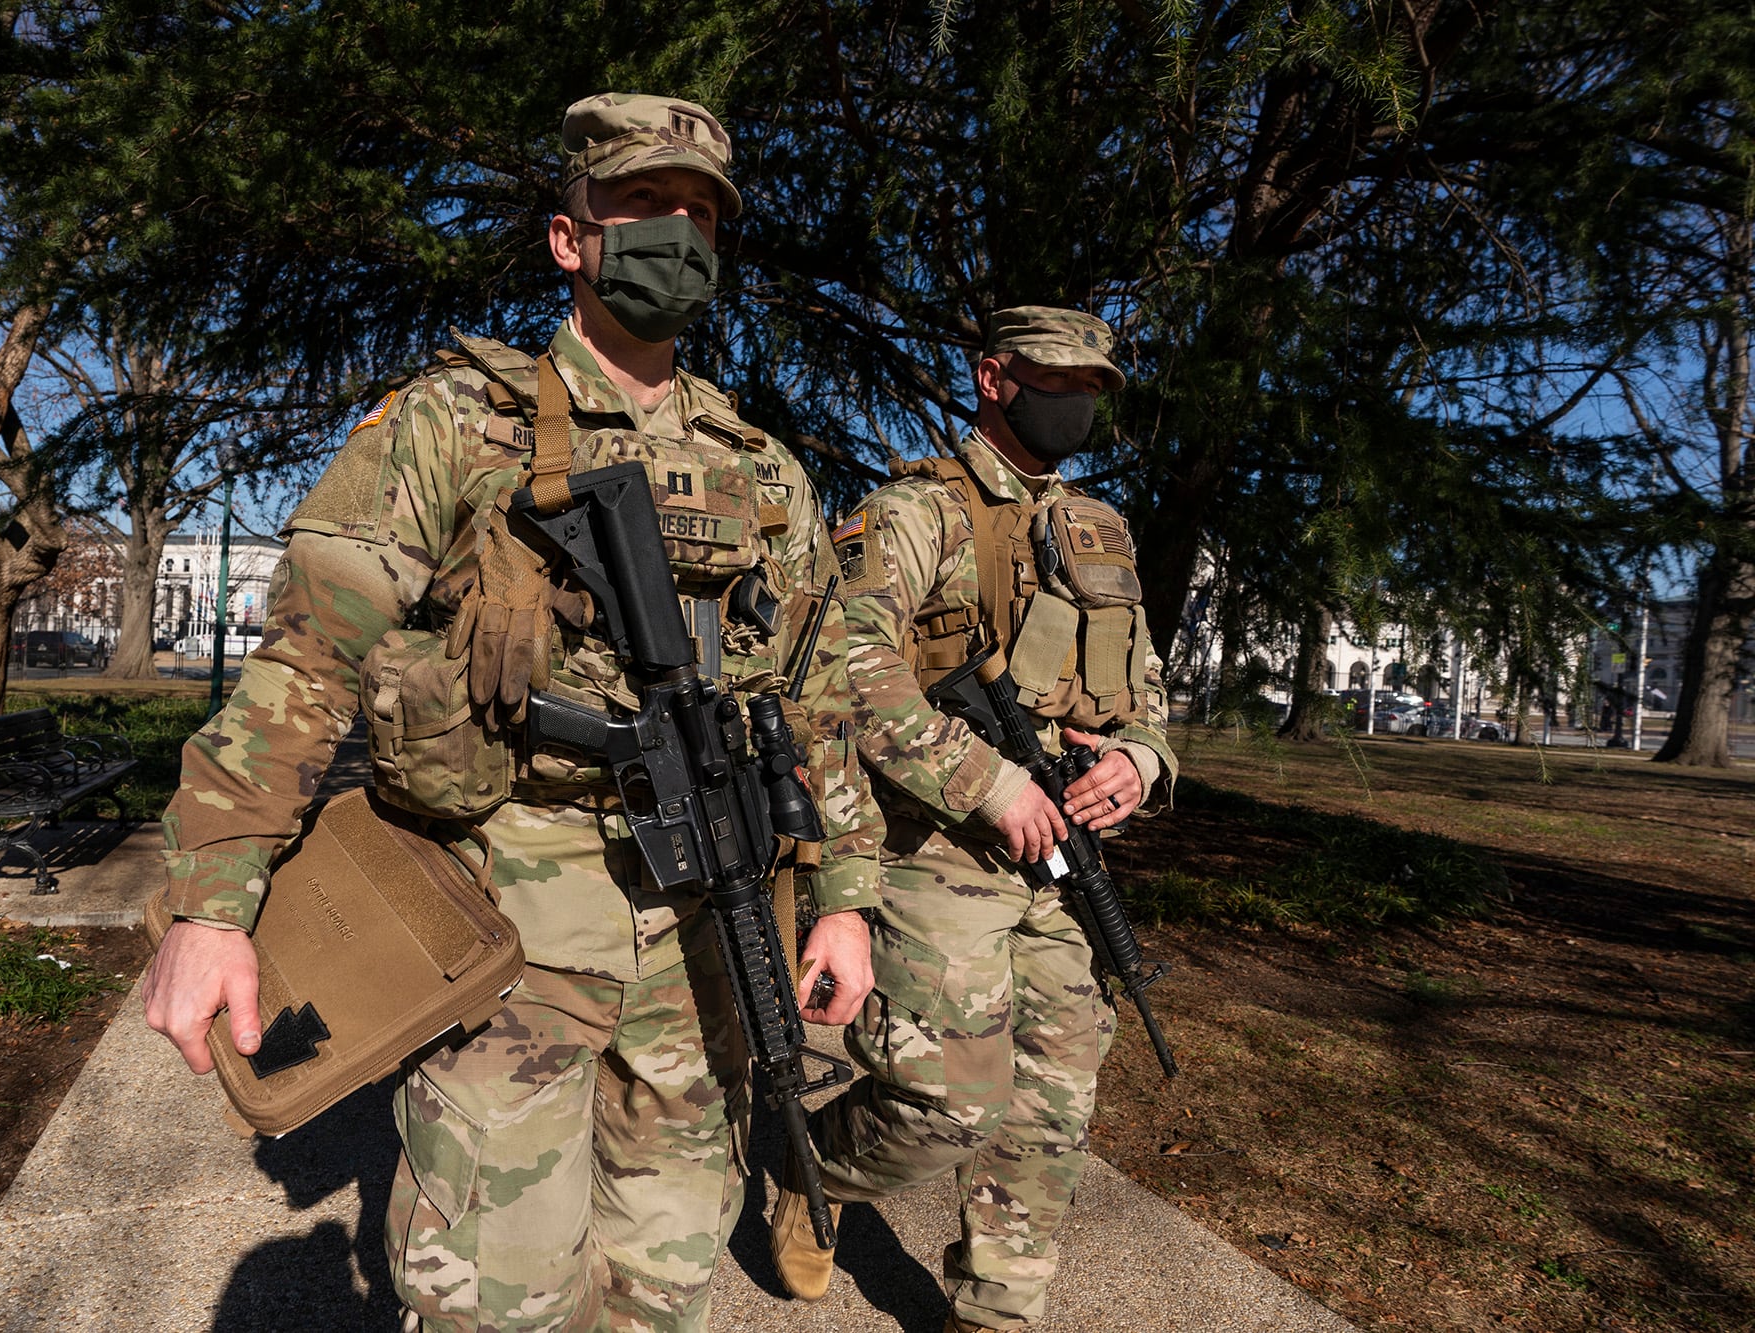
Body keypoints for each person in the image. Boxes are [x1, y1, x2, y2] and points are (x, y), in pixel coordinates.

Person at [139, 92, 879, 1333]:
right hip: (506, 908)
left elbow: (821, 705)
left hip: (712, 922)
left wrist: (848, 898)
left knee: (665, 1283)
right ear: (568, 236)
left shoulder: (766, 472)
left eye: (700, 215)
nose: (677, 235)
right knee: (490, 1296)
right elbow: (309, 657)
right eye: (643, 206)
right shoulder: (454, 420)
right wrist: (212, 898)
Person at [770, 306, 1178, 1332]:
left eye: (1094, 388)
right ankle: (813, 1171)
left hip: (1061, 856)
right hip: (932, 845)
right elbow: (845, 672)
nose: (1078, 402)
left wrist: (1138, 759)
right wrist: (987, 782)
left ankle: (993, 1311)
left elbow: (1147, 686)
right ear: (993, 378)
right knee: (945, 1099)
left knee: (1053, 1095)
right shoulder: (915, 512)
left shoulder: (1103, 532)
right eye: (1058, 380)